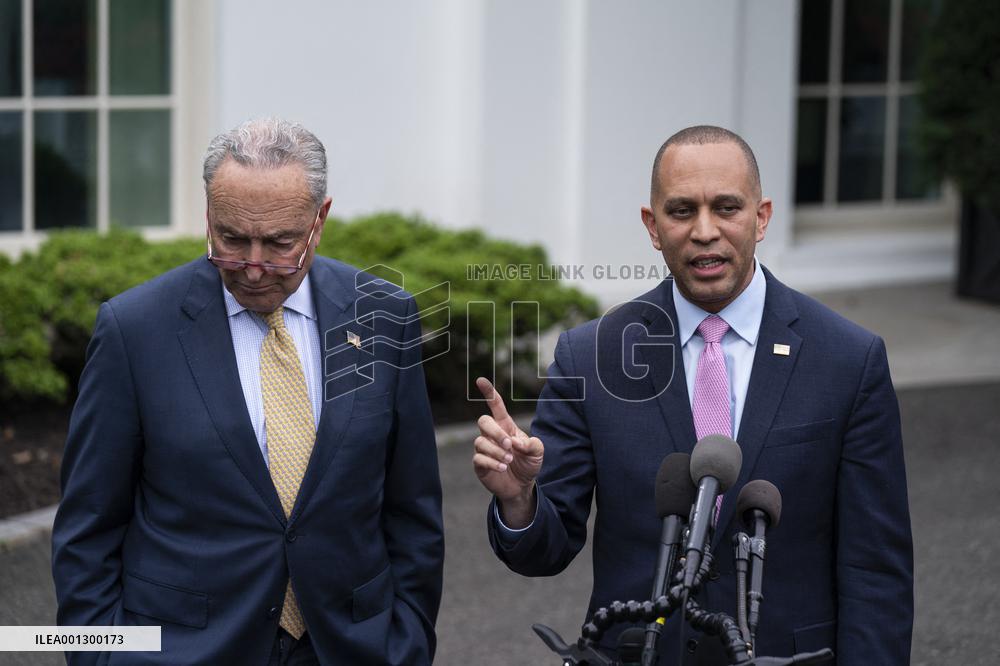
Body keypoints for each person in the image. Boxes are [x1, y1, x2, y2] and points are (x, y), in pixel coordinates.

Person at [473, 126, 913, 664]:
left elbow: (876, 571)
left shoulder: (848, 359)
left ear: (762, 215)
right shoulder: (590, 356)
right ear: (652, 225)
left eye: (726, 207)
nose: (705, 231)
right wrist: (519, 500)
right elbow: (544, 550)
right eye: (682, 211)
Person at [52, 118, 444, 665]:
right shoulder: (133, 329)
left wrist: (408, 643)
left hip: (352, 648)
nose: (254, 267)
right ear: (209, 214)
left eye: (281, 243)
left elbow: (413, 510)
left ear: (320, 220)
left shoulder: (384, 315)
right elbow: (87, 529)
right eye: (232, 239)